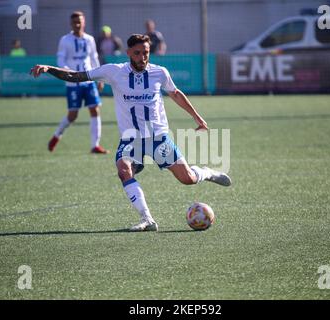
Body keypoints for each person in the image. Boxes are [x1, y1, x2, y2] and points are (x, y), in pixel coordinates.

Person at [30, 34, 231, 232]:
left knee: (187, 179)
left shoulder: (159, 72)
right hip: (130, 139)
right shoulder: (113, 71)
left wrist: (196, 117)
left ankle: (207, 173)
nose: (142, 57)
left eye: (145, 53)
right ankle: (147, 219)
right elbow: (77, 76)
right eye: (137, 53)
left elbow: (175, 94)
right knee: (124, 171)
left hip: (157, 138)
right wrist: (49, 69)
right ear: (128, 53)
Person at [49, 11, 109, 154]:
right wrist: (65, 70)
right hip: (72, 82)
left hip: (88, 80)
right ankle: (57, 135)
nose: (77, 24)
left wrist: (100, 78)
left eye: (79, 21)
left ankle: (95, 145)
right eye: (75, 22)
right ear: (71, 24)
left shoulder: (89, 39)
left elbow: (94, 58)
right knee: (73, 115)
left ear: (84, 22)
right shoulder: (65, 40)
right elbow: (61, 58)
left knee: (95, 109)